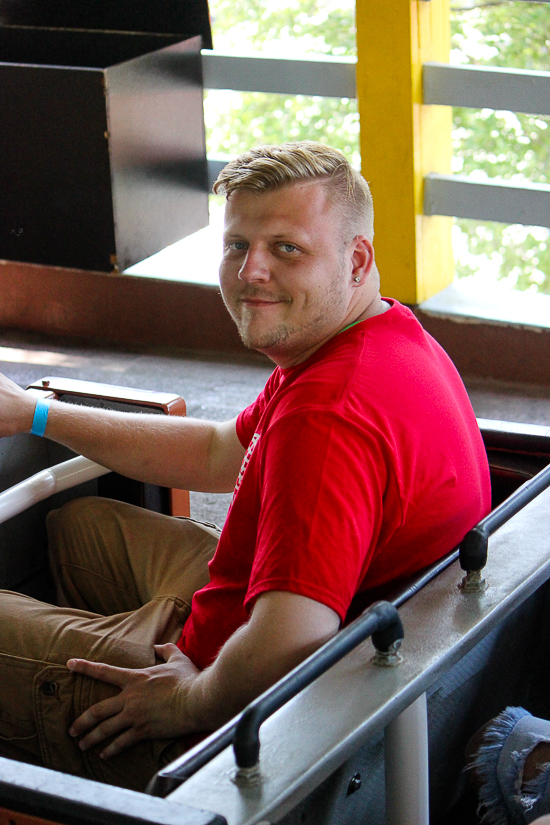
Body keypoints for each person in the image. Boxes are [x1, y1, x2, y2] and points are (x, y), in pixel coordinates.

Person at [0, 141, 491, 790]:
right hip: (309, 626)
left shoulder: (329, 414)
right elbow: (216, 452)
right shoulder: (377, 336)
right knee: (78, 525)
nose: (251, 271)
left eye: (286, 248)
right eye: (237, 246)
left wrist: (190, 699)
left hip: (244, 719)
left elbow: (293, 636)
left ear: (357, 258)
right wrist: (36, 413)